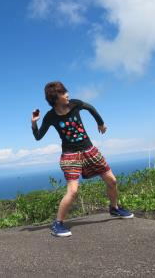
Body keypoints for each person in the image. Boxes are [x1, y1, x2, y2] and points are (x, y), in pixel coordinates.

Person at [31, 81, 133, 237]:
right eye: (63, 93)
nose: (67, 94)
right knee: (73, 191)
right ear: (55, 98)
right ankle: (57, 223)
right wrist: (33, 124)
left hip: (89, 150)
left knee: (112, 181)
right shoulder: (50, 116)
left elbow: (90, 108)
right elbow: (38, 137)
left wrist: (101, 123)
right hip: (70, 155)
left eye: (66, 91)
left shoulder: (75, 104)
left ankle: (114, 208)